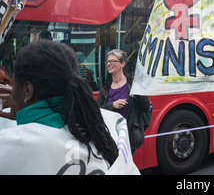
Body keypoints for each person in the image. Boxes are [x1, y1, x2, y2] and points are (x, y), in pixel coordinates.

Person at [0, 40, 138, 174]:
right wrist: (25, 115)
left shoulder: (12, 144)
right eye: (108, 61)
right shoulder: (112, 124)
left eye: (14, 84)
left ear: (28, 90)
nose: (11, 91)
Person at [97, 49, 151, 154]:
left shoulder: (133, 84)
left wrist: (137, 92)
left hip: (129, 137)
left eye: (113, 61)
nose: (109, 64)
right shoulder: (105, 88)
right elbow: (96, 110)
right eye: (107, 61)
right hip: (110, 137)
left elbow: (146, 107)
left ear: (122, 64)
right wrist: (112, 105)